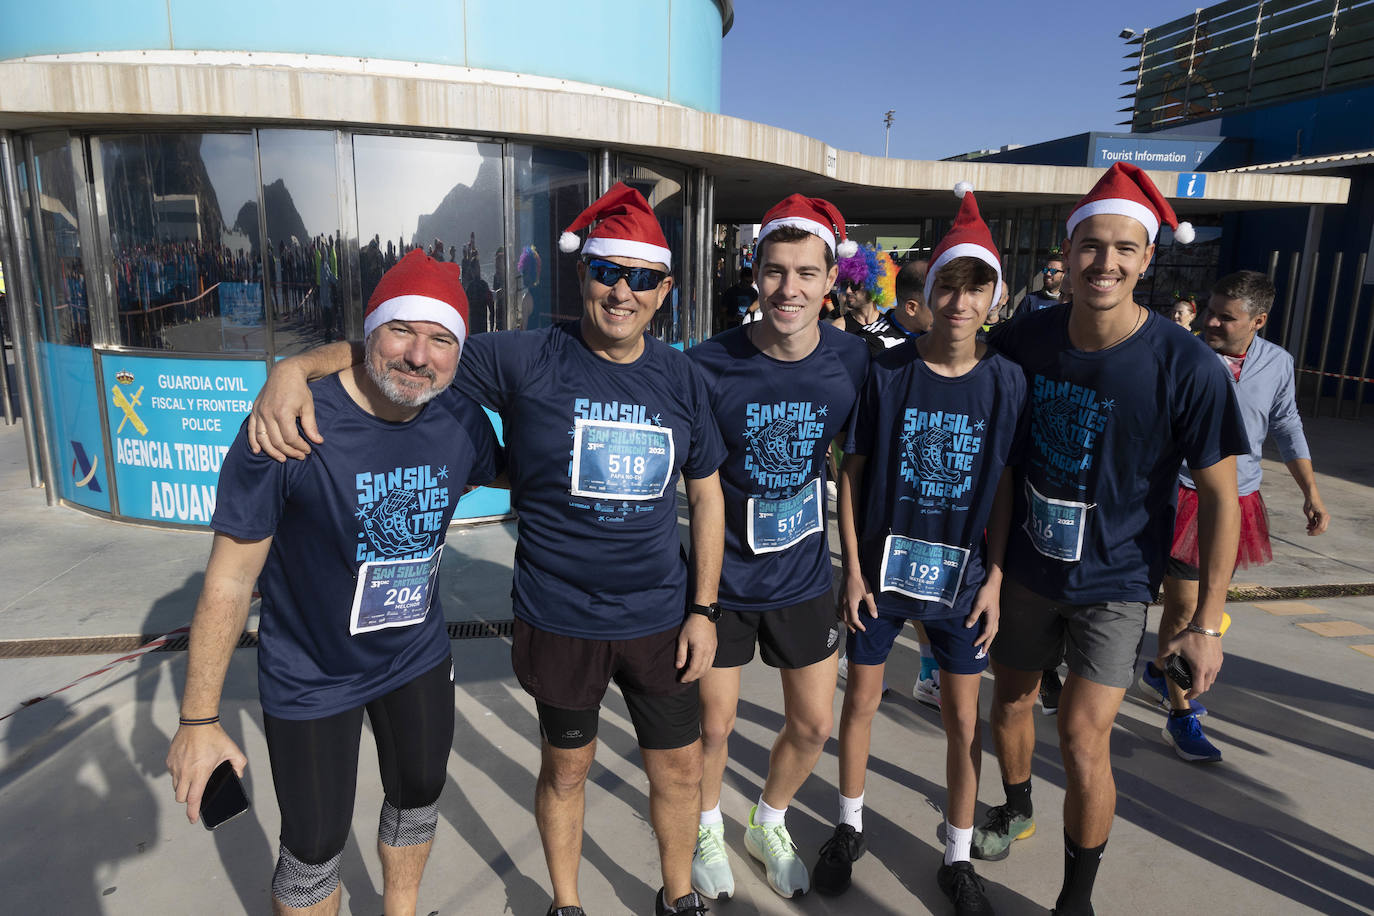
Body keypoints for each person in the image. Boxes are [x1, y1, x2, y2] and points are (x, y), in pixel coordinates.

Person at [246, 183, 728, 916]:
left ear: (664, 290)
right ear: (583, 274)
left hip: (662, 615)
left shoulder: (683, 378)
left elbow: (707, 495)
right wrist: (292, 370)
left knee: (683, 769)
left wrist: (704, 607)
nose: (621, 291)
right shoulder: (526, 356)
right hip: (560, 615)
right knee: (567, 772)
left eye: (640, 278)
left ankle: (680, 894)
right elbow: (405, 353)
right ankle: (565, 902)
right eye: (607, 272)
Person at [167, 250, 503, 916]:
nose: (418, 355)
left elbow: (544, 473)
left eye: (441, 339)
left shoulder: (462, 423)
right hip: (312, 675)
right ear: (369, 330)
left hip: (416, 656)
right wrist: (199, 719)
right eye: (401, 329)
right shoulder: (287, 428)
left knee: (418, 795)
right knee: (312, 849)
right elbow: (232, 579)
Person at [974, 163, 1246, 916]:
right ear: (1068, 251)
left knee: (1086, 739)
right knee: (1012, 706)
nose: (1106, 263)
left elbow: (1221, 498)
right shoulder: (1023, 340)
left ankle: (1076, 898)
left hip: (1119, 580)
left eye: (1125, 249)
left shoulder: (1185, 365)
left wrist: (1205, 623)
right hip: (1026, 571)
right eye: (1092, 246)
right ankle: (1018, 805)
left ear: (1148, 258)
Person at [819, 185, 1027, 915]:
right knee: (862, 703)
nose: (961, 303)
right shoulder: (888, 372)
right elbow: (854, 471)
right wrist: (851, 568)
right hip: (879, 577)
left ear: (994, 300)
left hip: (961, 580)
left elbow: (1003, 486)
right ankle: (848, 827)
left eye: (977, 289)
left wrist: (996, 577)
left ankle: (959, 853)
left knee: (964, 721)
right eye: (949, 286)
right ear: (928, 293)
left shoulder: (1006, 382)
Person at [686, 195, 869, 901]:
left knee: (815, 722)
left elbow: (856, 463)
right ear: (754, 274)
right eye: (773, 271)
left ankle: (768, 819)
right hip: (722, 577)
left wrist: (855, 569)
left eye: (804, 273)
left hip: (801, 575)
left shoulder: (855, 361)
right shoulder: (709, 364)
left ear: (831, 281)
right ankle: (706, 825)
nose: (787, 288)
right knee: (714, 724)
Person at [1142, 270, 1330, 762]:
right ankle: (1180, 717)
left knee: (1210, 605)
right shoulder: (1183, 354)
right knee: (1186, 611)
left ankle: (1162, 671)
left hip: (1238, 499)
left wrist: (1310, 490)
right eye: (1210, 310)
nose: (1211, 321)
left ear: (1259, 321)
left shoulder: (1277, 364)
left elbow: (1287, 424)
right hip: (1180, 493)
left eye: (1226, 316)